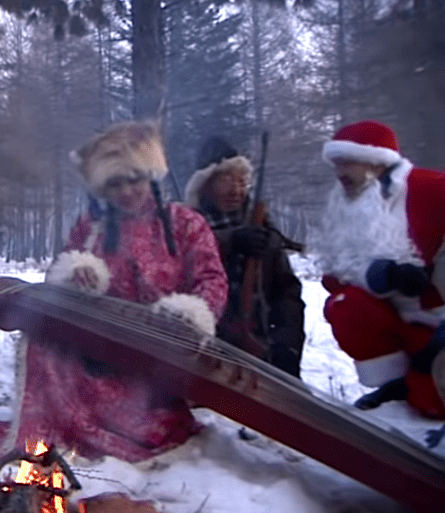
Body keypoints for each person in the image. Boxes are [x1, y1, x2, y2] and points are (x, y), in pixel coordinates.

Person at [0, 121, 228, 462]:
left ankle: (120, 430)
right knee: (43, 342)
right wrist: (74, 277)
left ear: (151, 176)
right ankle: (50, 436)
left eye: (134, 180)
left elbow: (212, 279)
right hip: (98, 351)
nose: (126, 192)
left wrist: (191, 317)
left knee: (144, 411)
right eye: (115, 183)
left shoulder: (186, 224)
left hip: (157, 357)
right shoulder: (90, 227)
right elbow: (57, 275)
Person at [312, 119, 445, 418]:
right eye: (335, 164)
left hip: (440, 324)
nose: (339, 173)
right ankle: (395, 384)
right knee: (345, 305)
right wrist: (379, 276)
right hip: (400, 323)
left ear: (375, 161)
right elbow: (334, 277)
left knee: (431, 403)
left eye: (347, 162)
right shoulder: (347, 204)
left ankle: (421, 384)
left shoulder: (432, 188)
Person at [183, 136, 306, 376]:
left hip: (261, 351)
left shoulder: (262, 228)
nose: (236, 190)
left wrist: (287, 345)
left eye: (242, 181)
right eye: (226, 180)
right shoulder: (184, 227)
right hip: (203, 355)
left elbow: (287, 293)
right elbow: (180, 267)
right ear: (205, 185)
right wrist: (228, 241)